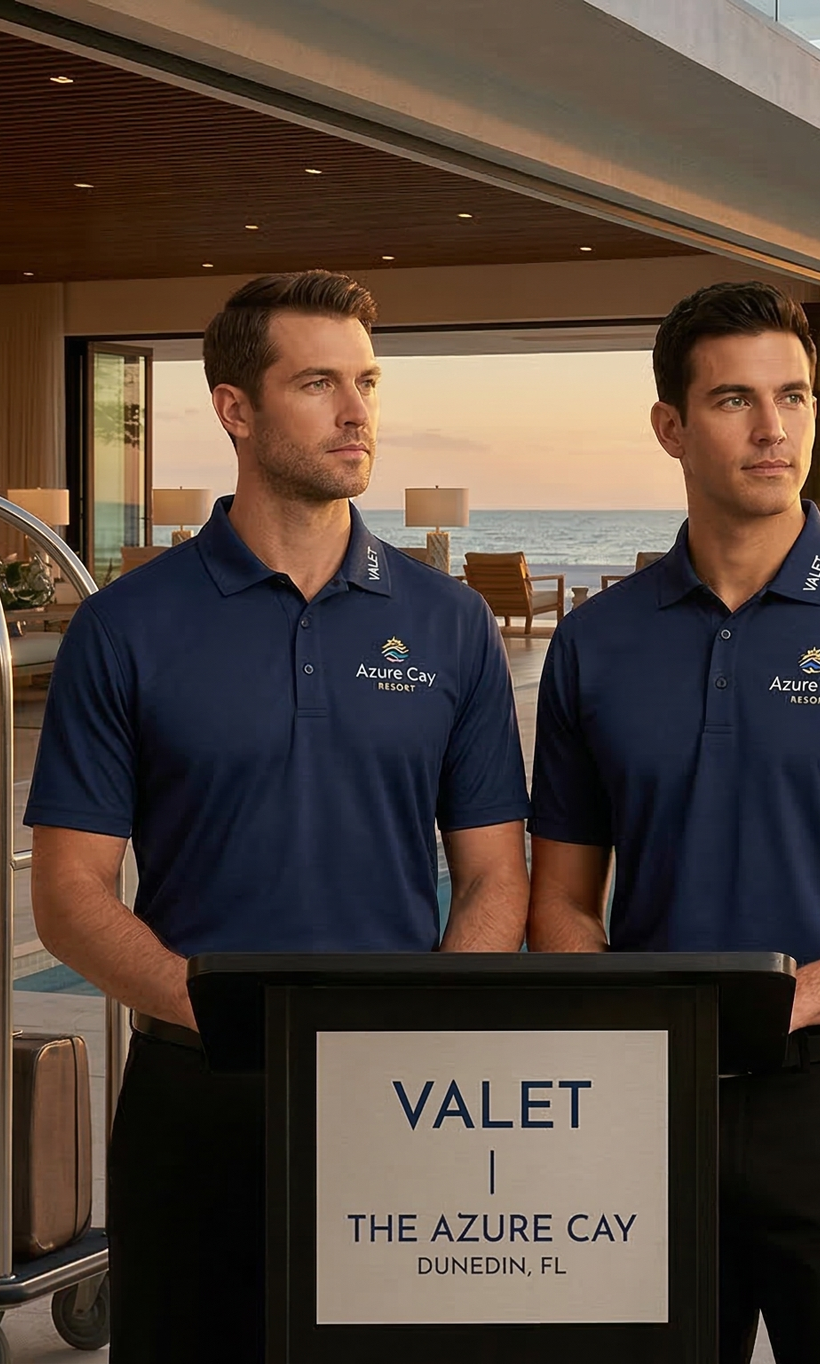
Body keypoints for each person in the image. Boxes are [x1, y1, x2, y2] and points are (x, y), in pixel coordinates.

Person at [25, 271, 531, 1362]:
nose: (358, 414)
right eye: (318, 383)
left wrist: (429, 1036)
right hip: (192, 1092)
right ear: (235, 409)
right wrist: (214, 1009)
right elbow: (68, 892)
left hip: (398, 1093)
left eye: (367, 383)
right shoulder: (127, 628)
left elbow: (496, 874)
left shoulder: (450, 625)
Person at [525, 281, 820, 1364]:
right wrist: (619, 1023)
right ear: (671, 426)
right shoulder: (598, 643)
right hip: (645, 1103)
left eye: (793, 395)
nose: (773, 427)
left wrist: (791, 1000)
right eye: (735, 400)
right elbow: (557, 898)